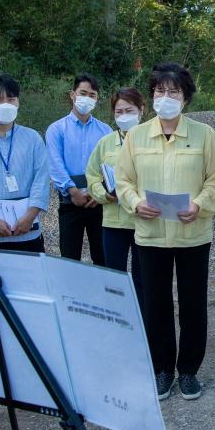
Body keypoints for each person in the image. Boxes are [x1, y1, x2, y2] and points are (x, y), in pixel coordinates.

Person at [116, 64, 215, 401]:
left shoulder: (204, 135)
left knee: (193, 303)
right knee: (155, 303)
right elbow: (123, 180)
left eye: (173, 92)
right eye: (160, 92)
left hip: (192, 233)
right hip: (150, 234)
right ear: (151, 97)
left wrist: (200, 204)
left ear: (186, 98)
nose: (166, 98)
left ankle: (189, 370)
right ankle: (162, 369)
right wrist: (135, 203)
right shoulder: (136, 136)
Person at [0, 74, 51, 253]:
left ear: (18, 102)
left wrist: (30, 217)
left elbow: (41, 179)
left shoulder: (33, 138)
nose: (6, 104)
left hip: (28, 233)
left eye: (11, 99)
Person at [86, 87, 146, 309]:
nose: (124, 116)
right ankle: (118, 320)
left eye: (129, 110)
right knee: (114, 277)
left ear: (142, 110)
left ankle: (145, 325)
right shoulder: (106, 143)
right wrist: (103, 194)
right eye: (119, 112)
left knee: (143, 278)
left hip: (144, 221)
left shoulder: (151, 138)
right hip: (113, 221)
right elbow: (91, 175)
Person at [46, 74, 111, 264]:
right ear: (72, 94)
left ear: (97, 99)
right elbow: (55, 164)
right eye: (83, 93)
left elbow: (109, 164)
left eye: (92, 95)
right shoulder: (56, 129)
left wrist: (99, 193)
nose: (87, 98)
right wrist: (72, 191)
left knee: (102, 256)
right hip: (69, 202)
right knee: (69, 256)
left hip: (98, 202)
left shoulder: (105, 130)